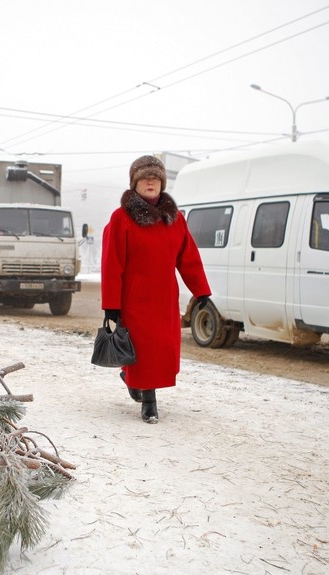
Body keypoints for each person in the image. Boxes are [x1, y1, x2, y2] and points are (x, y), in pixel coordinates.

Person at [101, 155, 212, 424]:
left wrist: (202, 292)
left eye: (155, 178)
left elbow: (189, 258)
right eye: (144, 178)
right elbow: (111, 263)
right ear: (135, 183)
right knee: (144, 348)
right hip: (134, 299)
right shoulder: (121, 219)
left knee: (162, 349)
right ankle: (149, 402)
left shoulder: (175, 220)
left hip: (164, 298)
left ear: (162, 183)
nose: (150, 182)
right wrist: (111, 305)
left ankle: (131, 376)